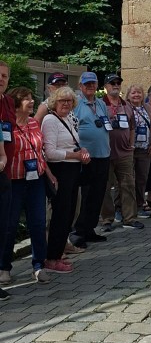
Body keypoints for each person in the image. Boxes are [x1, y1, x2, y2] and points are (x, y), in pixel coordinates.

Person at [0, 87, 51, 284]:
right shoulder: (8, 126)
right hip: (14, 181)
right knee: (10, 225)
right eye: (26, 99)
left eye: (32, 98)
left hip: (35, 180)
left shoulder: (33, 123)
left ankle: (39, 266)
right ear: (16, 104)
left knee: (38, 223)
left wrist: (48, 172)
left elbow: (40, 151)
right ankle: (4, 267)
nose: (31, 102)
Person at [42, 86, 91, 272]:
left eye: (70, 101)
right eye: (63, 100)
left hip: (71, 170)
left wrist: (82, 151)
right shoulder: (49, 120)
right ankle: (52, 258)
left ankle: (59, 252)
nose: (66, 104)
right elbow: (50, 153)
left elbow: (73, 142)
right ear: (55, 102)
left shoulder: (69, 118)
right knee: (60, 215)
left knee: (69, 213)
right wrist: (74, 155)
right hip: (60, 170)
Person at [71, 71, 111, 248]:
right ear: (80, 86)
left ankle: (90, 229)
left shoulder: (101, 103)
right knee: (85, 195)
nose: (90, 87)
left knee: (98, 194)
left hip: (103, 155)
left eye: (93, 84)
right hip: (86, 157)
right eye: (87, 84)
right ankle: (78, 232)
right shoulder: (76, 104)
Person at [99, 73, 143, 231]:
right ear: (105, 86)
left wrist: (131, 144)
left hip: (125, 153)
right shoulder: (100, 104)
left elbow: (132, 127)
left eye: (118, 83)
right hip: (106, 153)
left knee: (128, 185)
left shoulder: (126, 105)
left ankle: (130, 218)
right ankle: (107, 220)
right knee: (105, 187)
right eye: (112, 83)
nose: (116, 85)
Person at [126, 84, 151, 218]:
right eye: (133, 93)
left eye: (139, 92)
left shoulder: (147, 107)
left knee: (142, 179)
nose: (136, 95)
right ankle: (123, 208)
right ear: (128, 95)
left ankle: (139, 205)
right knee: (127, 180)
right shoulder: (125, 107)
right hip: (129, 150)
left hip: (144, 149)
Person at [0, 61, 15, 299]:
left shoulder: (8, 102)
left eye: (4, 76)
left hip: (6, 172)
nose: (1, 78)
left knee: (2, 226)